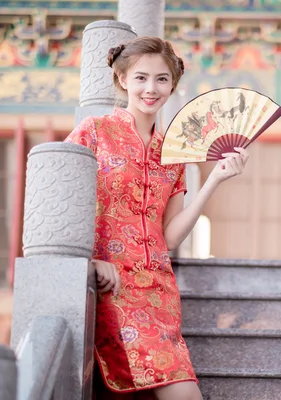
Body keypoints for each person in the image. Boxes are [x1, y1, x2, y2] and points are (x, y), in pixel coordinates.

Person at [65, 36, 249, 400]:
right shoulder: (94, 132)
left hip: (160, 291)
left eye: (162, 79)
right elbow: (63, 199)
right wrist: (90, 260)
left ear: (173, 85)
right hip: (112, 286)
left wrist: (213, 179)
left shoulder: (175, 155)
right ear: (122, 80)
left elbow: (171, 236)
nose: (151, 89)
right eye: (141, 78)